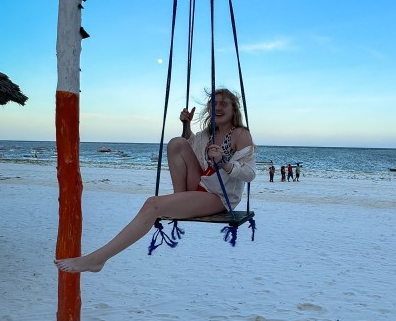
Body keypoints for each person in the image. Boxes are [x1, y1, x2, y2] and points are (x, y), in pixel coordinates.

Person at [55, 88, 255, 273]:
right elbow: (189, 150)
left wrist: (223, 162)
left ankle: (97, 259)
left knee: (153, 204)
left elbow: (249, 174)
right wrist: (186, 126)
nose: (218, 108)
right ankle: (180, 200)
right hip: (200, 185)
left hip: (219, 197)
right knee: (177, 143)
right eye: (214, 104)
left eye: (223, 104)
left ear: (233, 109)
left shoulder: (240, 134)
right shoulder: (207, 135)